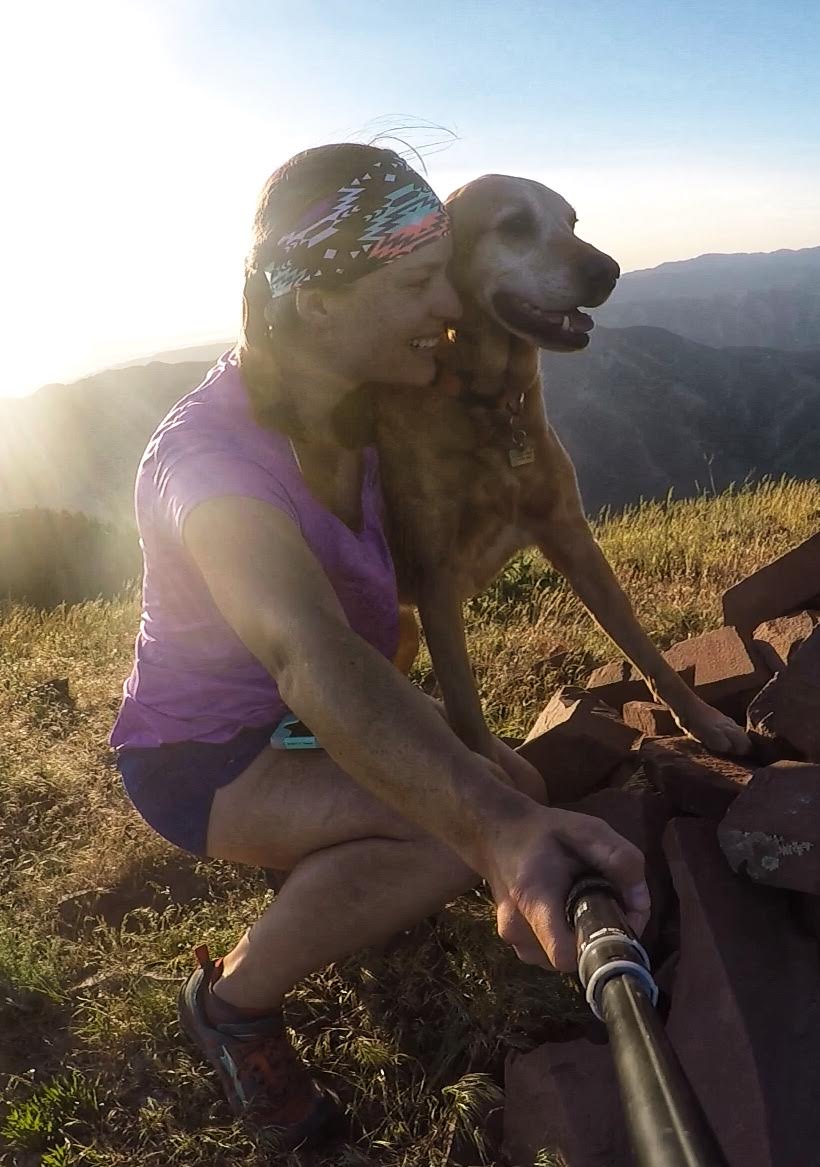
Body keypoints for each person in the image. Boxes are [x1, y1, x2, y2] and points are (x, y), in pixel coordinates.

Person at [107, 143, 649, 1150]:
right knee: (454, 826)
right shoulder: (207, 468)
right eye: (418, 282)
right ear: (316, 304)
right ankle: (233, 1004)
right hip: (208, 755)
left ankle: (327, 857)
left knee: (513, 778)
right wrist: (491, 834)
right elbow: (307, 656)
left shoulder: (373, 405)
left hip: (312, 723)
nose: (448, 302)